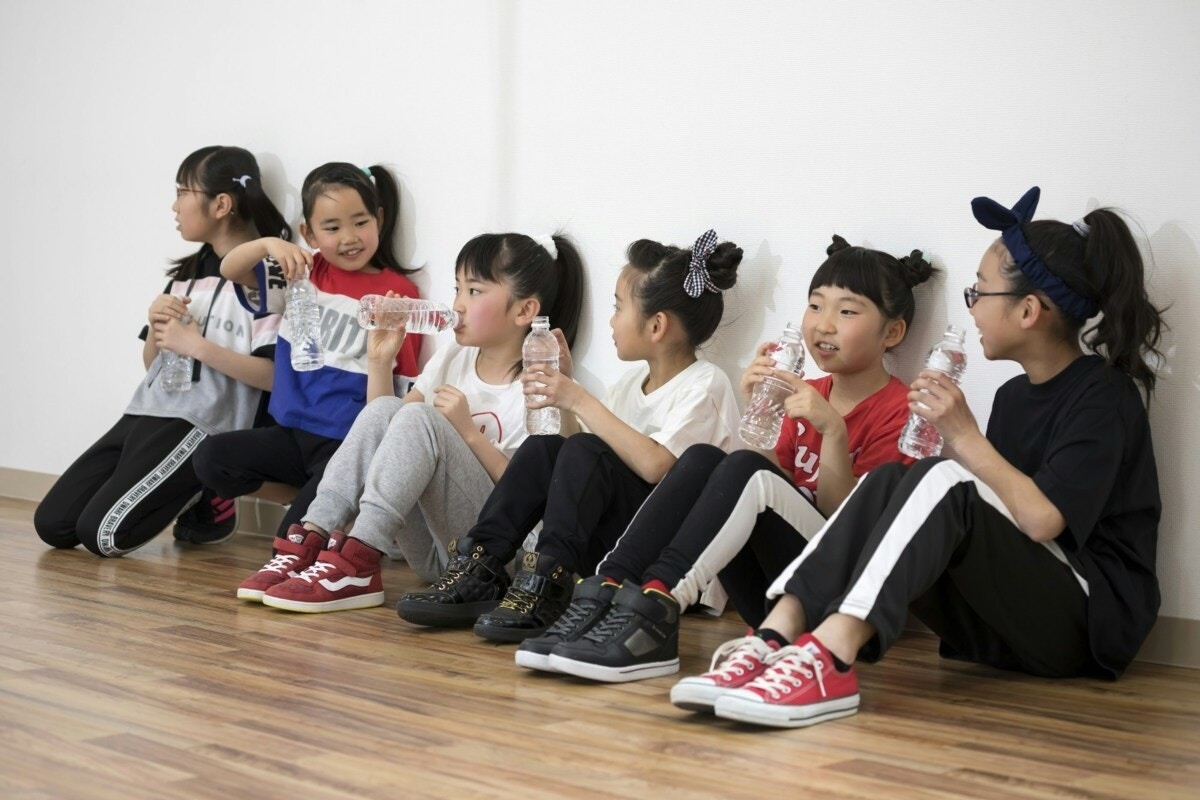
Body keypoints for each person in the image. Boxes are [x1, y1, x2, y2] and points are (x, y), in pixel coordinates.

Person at [672, 187, 1163, 729]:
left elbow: (1044, 520)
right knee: (885, 479)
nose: (971, 305)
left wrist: (964, 437)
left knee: (941, 475)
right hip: (1005, 625)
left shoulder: (1104, 396)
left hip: (1086, 624)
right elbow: (997, 522)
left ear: (1027, 310)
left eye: (980, 291)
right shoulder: (1012, 397)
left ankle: (831, 657)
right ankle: (773, 639)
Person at [525, 235, 933, 681]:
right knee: (703, 459)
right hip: (769, 595)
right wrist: (759, 408)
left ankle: (658, 607)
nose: (824, 325)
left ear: (892, 332)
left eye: (847, 312)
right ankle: (610, 589)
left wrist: (833, 431)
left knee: (738, 466)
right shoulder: (805, 393)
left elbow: (856, 531)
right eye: (815, 306)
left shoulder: (902, 412)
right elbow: (767, 489)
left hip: (833, 598)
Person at [396, 231, 745, 642]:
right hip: (616, 544)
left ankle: (549, 583)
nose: (611, 321)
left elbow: (656, 466)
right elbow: (573, 459)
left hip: (666, 560)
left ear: (656, 326)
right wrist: (565, 392)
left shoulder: (705, 384)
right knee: (545, 446)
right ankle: (483, 564)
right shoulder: (630, 385)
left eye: (618, 308)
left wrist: (578, 398)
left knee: (583, 447)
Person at [242, 233, 585, 612]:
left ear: (524, 311)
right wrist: (379, 360)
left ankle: (358, 557)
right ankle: (311, 539)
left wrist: (468, 434)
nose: (457, 304)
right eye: (457, 288)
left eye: (474, 291)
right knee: (388, 409)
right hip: (435, 557)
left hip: (497, 560)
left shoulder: (541, 382)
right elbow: (389, 433)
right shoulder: (453, 357)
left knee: (421, 416)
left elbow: (540, 497)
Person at [34, 146, 289, 556]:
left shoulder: (266, 274)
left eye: (183, 193)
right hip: (147, 410)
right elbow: (154, 364)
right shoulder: (187, 273)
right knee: (53, 525)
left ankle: (207, 488)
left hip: (203, 421)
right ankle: (196, 488)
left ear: (221, 204)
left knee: (103, 536)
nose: (174, 206)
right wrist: (156, 327)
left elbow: (275, 378)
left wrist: (197, 346)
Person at [191, 162, 421, 542]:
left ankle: (334, 506)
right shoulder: (302, 274)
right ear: (308, 233)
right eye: (332, 228)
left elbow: (398, 391)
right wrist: (267, 244)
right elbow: (230, 268)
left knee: (288, 548)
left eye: (360, 222)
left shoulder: (398, 293)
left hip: (344, 446)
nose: (349, 237)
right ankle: (305, 499)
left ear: (379, 219)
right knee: (210, 459)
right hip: (291, 434)